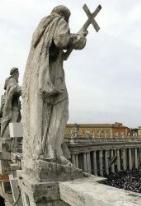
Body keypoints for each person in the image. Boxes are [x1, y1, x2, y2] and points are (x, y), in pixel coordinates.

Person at [23, 5, 87, 164]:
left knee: (41, 116)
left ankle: (41, 152)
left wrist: (73, 39)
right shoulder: (59, 21)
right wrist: (79, 38)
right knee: (61, 110)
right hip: (52, 78)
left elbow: (61, 54)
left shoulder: (42, 27)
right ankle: (52, 150)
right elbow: (61, 40)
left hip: (37, 77)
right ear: (65, 16)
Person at [0, 67, 21, 138]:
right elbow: (14, 88)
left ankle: (14, 143)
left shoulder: (11, 81)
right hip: (13, 108)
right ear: (15, 73)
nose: (19, 75)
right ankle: (12, 144)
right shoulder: (12, 80)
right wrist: (23, 90)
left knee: (16, 128)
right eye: (18, 73)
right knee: (14, 126)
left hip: (14, 107)